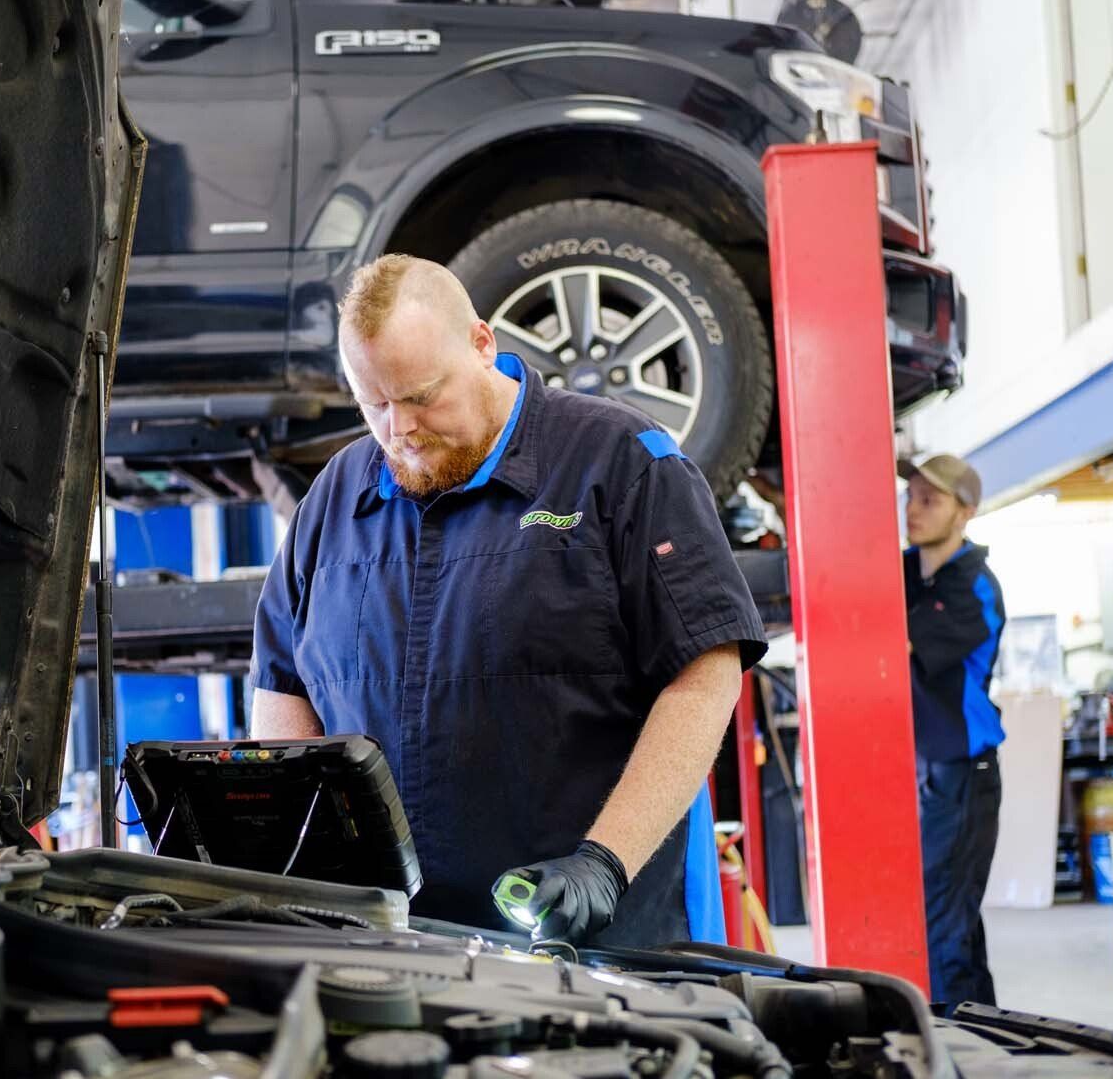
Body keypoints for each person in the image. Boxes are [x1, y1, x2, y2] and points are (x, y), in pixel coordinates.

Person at [250, 254, 767, 946]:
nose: (399, 430)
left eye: (423, 395)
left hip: (593, 941)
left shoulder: (619, 460)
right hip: (390, 948)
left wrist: (603, 865)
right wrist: (304, 862)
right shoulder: (335, 500)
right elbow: (281, 684)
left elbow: (705, 674)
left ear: (482, 344)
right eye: (374, 404)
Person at [900, 453, 1007, 1006]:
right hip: (926, 768)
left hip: (965, 770)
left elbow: (896, 640)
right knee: (945, 913)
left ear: (966, 512)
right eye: (910, 497)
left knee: (944, 916)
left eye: (930, 500)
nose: (912, 510)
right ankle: (979, 1032)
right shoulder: (911, 573)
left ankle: (962, 1044)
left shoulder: (973, 586)